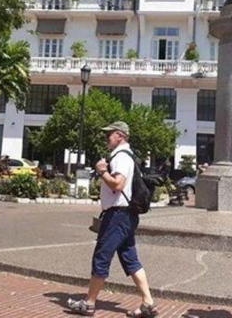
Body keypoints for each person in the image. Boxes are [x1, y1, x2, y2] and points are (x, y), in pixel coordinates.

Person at [67, 122, 157, 318]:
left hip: (117, 216)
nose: (106, 138)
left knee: (102, 256)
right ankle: (148, 302)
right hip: (126, 216)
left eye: (109, 134)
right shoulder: (127, 157)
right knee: (130, 259)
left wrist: (102, 171)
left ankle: (89, 303)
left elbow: (117, 184)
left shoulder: (121, 157)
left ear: (120, 136)